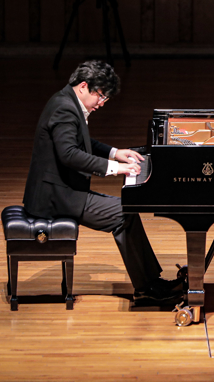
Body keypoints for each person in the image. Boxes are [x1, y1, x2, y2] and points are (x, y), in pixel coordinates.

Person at [22, 60, 179, 303]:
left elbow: (83, 142)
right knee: (123, 214)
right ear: (84, 86)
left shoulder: (67, 101)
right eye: (101, 96)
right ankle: (148, 288)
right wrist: (116, 168)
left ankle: (150, 283)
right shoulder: (64, 109)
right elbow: (69, 154)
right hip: (56, 198)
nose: (102, 103)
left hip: (62, 191)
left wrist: (115, 152)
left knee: (126, 211)